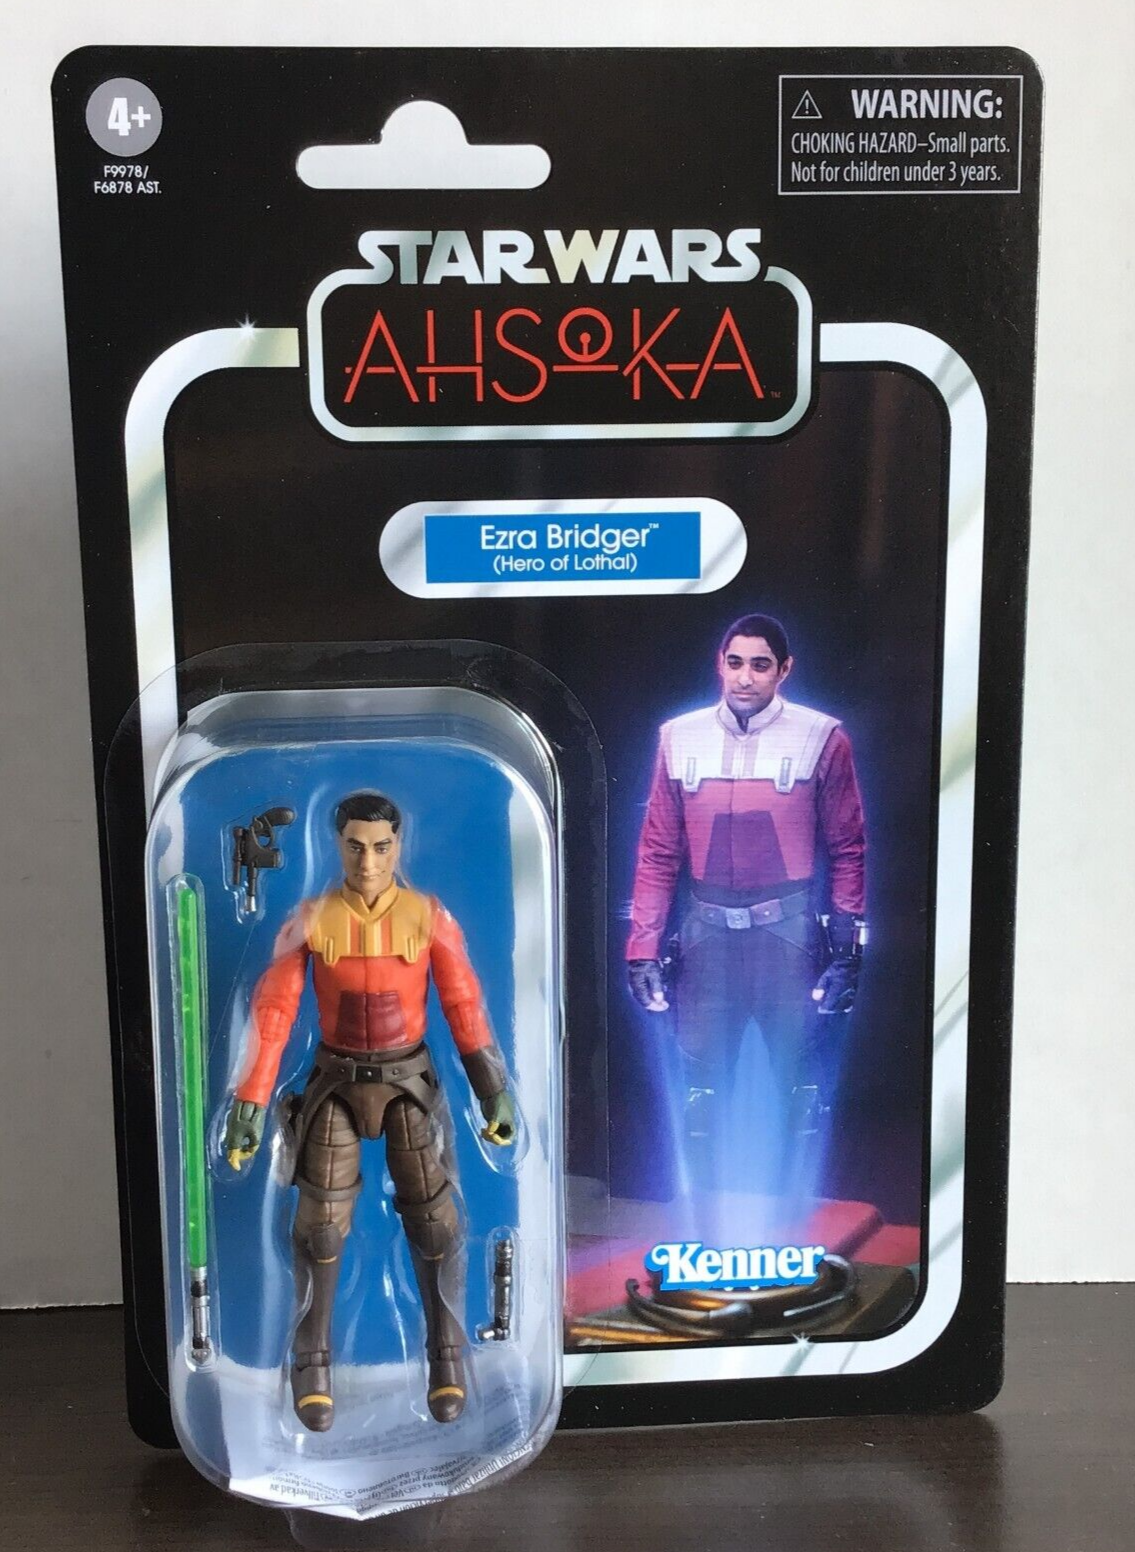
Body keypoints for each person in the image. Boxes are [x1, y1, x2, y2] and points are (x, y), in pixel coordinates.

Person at [223, 791, 515, 1432]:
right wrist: (249, 1103)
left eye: (381, 847)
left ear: (398, 845)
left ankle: (447, 1352)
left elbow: (464, 1004)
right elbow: (274, 1014)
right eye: (356, 846)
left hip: (409, 1083)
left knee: (434, 1225)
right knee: (320, 1228)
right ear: (338, 845)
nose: (369, 861)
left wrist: (492, 1088)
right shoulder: (311, 919)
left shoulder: (427, 916)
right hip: (334, 1082)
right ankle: (311, 1359)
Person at [626, 614, 867, 1183]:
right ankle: (708, 1211)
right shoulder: (678, 736)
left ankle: (787, 1219)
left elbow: (849, 847)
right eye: (735, 662)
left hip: (788, 938)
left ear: (784, 670)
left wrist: (847, 951)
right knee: (699, 1093)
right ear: (720, 663)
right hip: (705, 939)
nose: (745, 677)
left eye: (760, 665)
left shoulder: (821, 737)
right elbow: (657, 850)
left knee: (794, 1088)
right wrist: (642, 949)